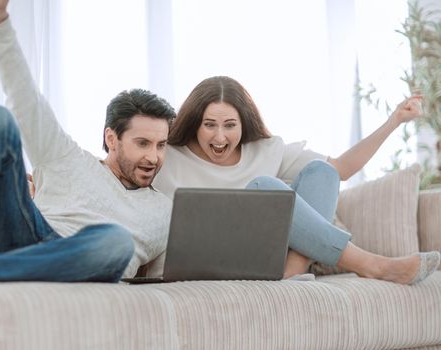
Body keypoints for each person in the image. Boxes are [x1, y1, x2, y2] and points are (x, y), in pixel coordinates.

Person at [0, 0, 176, 284]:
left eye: (161, 145)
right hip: (21, 236)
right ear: (111, 138)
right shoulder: (65, 158)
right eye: (143, 143)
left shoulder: (167, 212)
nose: (153, 157)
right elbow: (24, 97)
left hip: (77, 259)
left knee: (117, 241)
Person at [153, 76, 440, 284]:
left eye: (230, 125)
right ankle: (373, 265)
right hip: (210, 260)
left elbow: (341, 169)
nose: (219, 137)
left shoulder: (266, 150)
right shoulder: (167, 156)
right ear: (195, 123)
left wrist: (393, 121)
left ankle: (294, 273)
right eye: (209, 125)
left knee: (322, 171)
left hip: (267, 258)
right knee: (265, 187)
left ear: (244, 123)